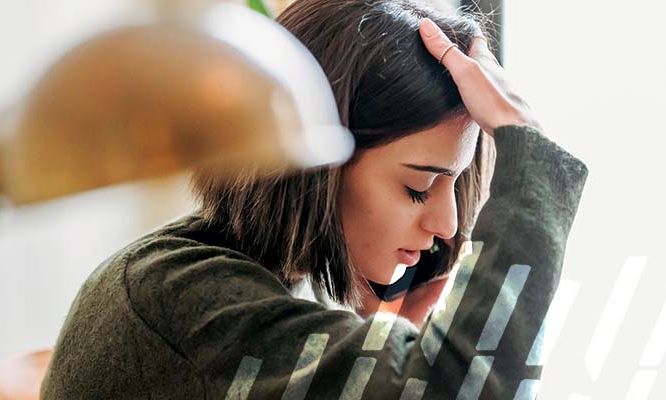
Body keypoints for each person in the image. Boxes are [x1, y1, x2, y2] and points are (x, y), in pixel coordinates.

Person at [40, 0, 588, 399]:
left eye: (452, 182)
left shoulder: (245, 278)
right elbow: (460, 392)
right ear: (316, 168)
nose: (446, 223)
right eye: (416, 187)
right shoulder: (178, 299)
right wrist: (529, 151)